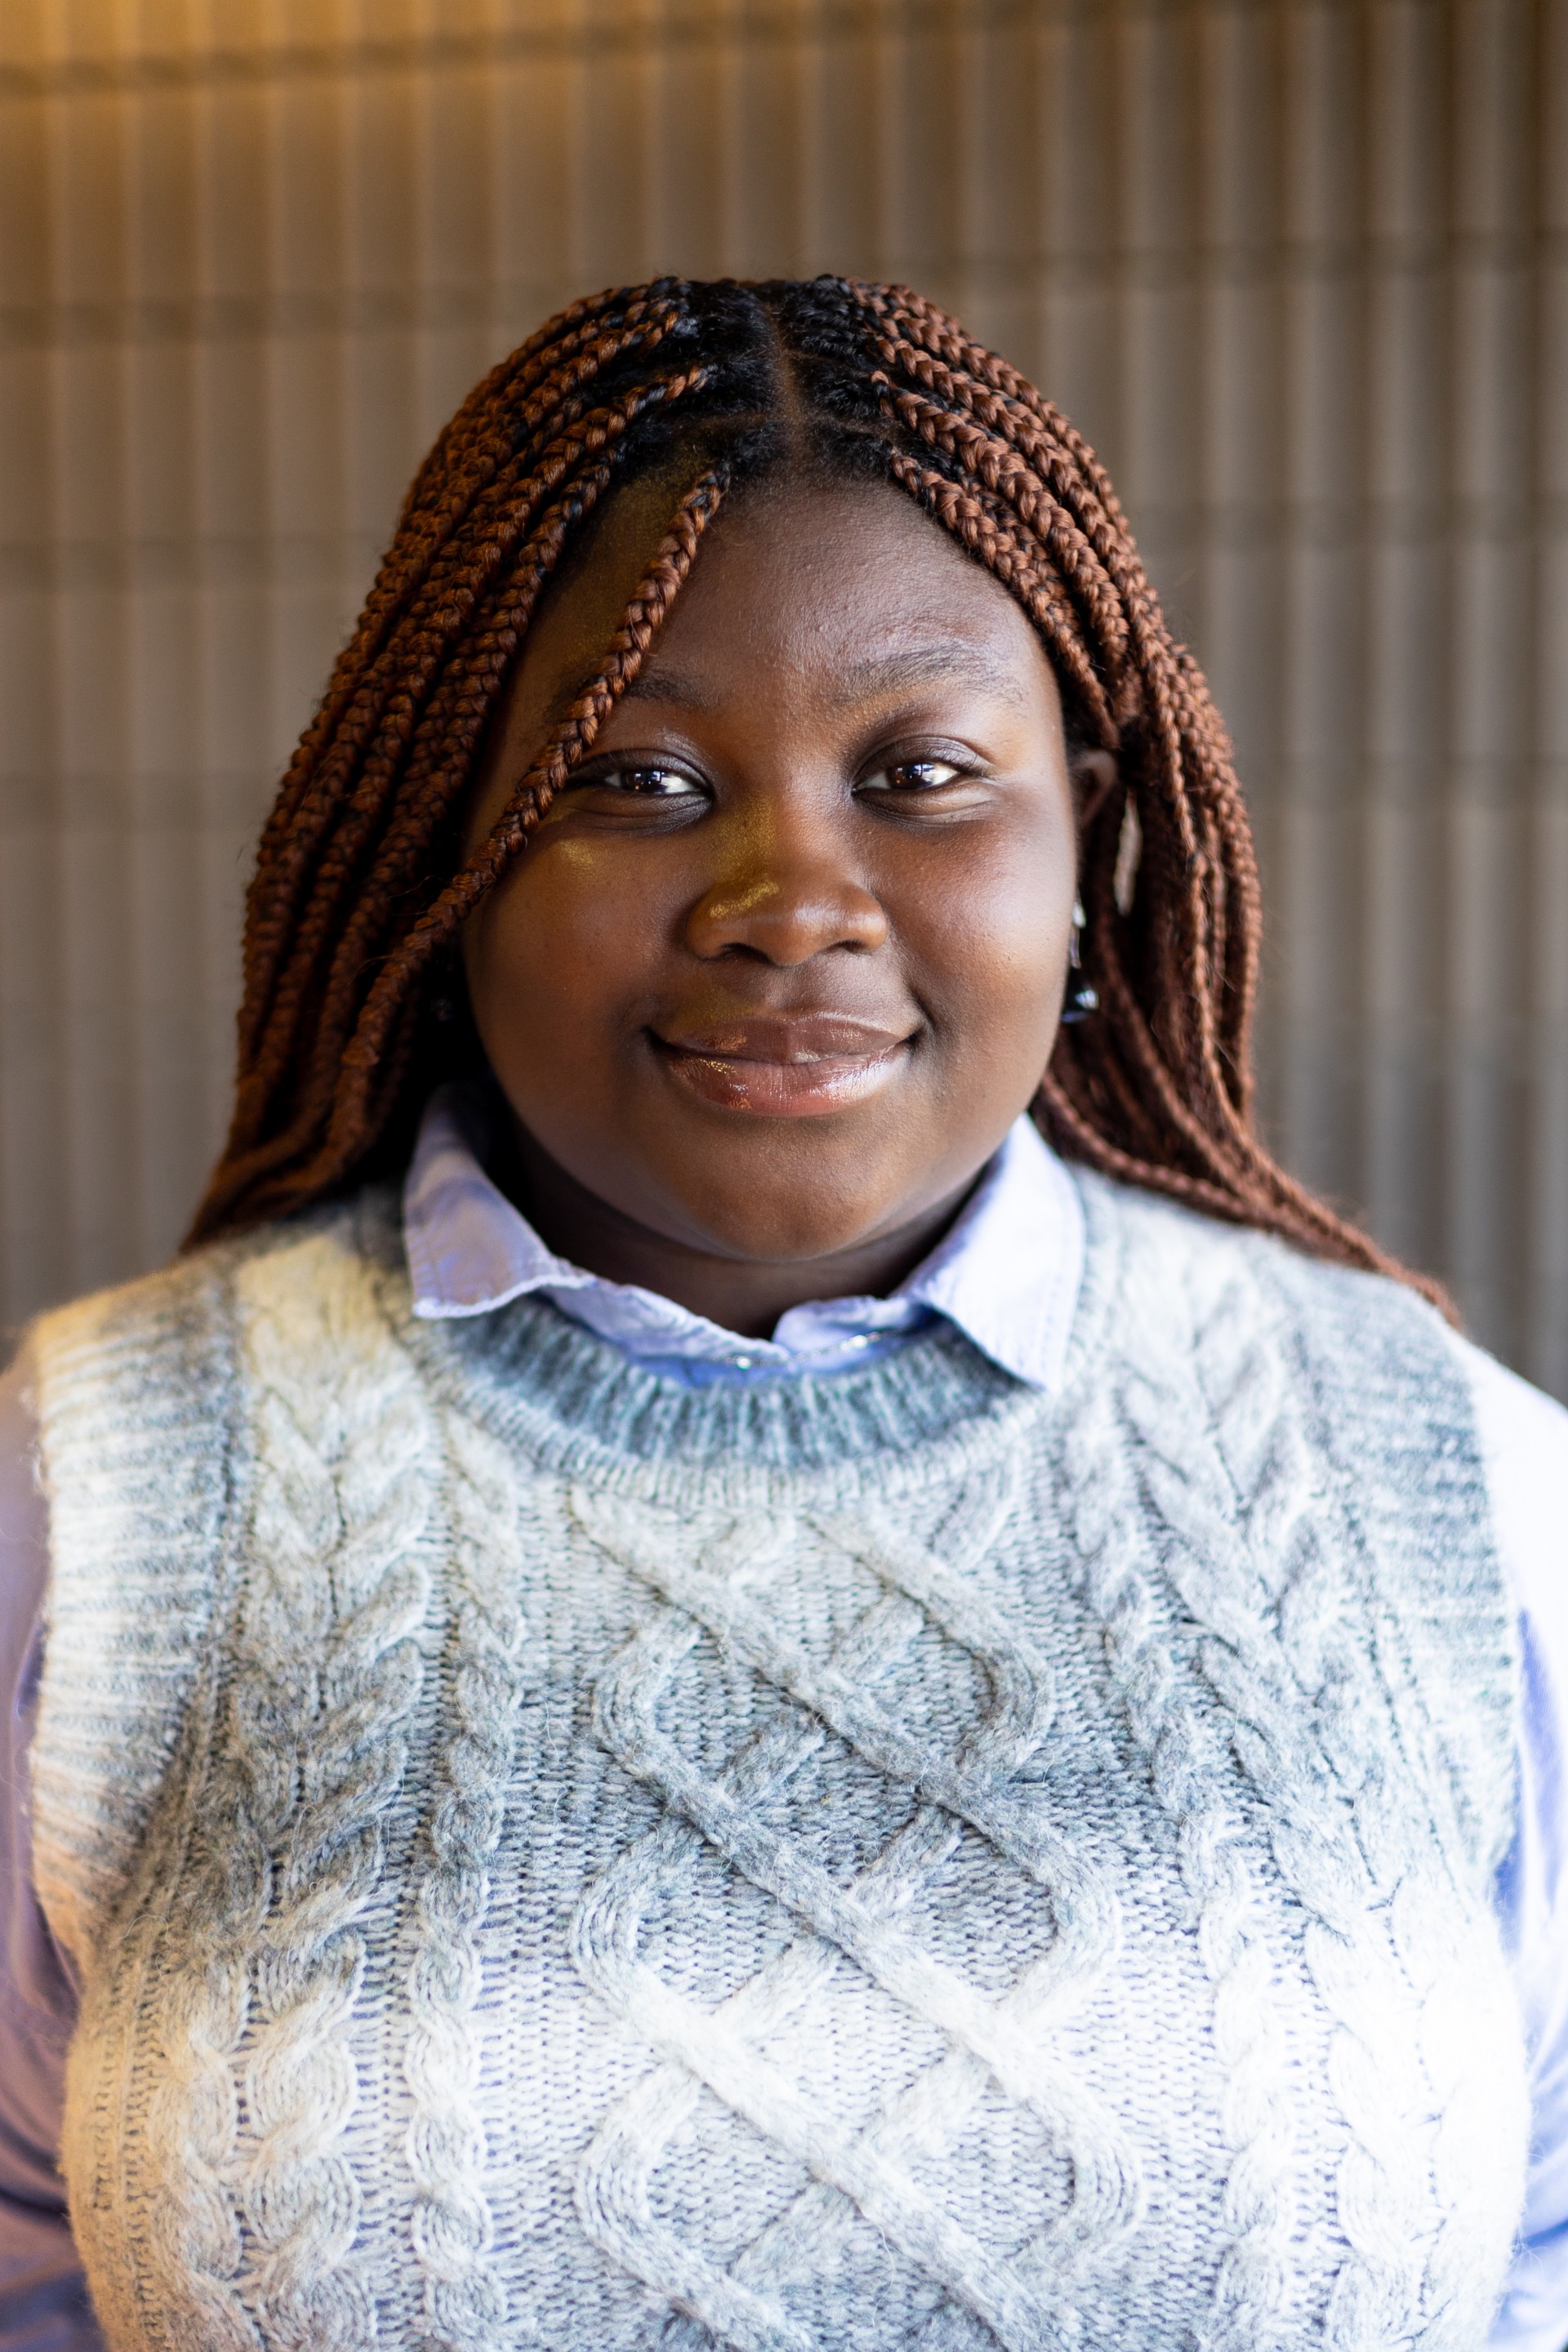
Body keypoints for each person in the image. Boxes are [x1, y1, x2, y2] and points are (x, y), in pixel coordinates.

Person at [1, 274, 1565, 2352]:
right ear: (449, 849)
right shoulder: (93, 1478)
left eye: (919, 773)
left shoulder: (1434, 1466)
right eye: (639, 782)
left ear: (1086, 829)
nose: (793, 897)